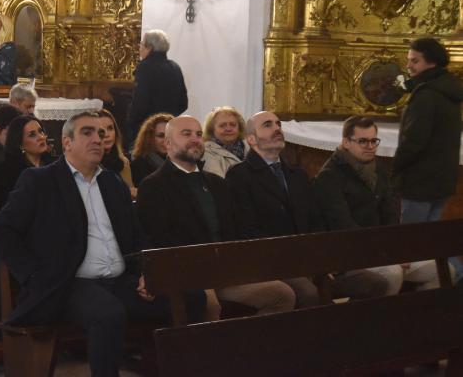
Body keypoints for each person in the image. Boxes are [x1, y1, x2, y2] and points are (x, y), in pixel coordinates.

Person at [0, 111, 202, 377]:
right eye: (87, 133)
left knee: (190, 297)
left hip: (120, 281)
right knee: (108, 314)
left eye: (101, 134)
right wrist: (33, 275)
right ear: (67, 143)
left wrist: (146, 274)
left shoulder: (112, 183)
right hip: (69, 283)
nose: (97, 139)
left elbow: (137, 238)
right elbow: (2, 232)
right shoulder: (40, 181)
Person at [137, 115, 295, 319]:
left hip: (226, 271)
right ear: (167, 143)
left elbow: (234, 231)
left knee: (282, 295)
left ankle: (251, 348)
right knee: (208, 304)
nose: (195, 139)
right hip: (188, 273)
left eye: (198, 134)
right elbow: (158, 240)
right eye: (186, 134)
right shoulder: (153, 186)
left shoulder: (216, 183)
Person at [226, 111, 388, 307]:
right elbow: (248, 231)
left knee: (375, 284)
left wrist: (320, 259)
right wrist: (299, 262)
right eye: (268, 125)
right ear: (251, 139)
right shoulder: (240, 175)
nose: (277, 128)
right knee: (310, 294)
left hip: (311, 260)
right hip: (273, 264)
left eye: (278, 124)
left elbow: (316, 221)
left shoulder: (297, 175)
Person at [315, 115, 440, 295]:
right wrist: (385, 254)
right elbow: (344, 226)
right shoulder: (329, 176)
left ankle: (418, 320)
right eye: (363, 141)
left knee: (439, 270)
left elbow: (391, 213)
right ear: (346, 142)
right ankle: (381, 321)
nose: (370, 146)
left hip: (381, 248)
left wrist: (395, 249)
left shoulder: (378, 168)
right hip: (349, 253)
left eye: (374, 141)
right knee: (392, 273)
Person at [393, 37, 463, 283]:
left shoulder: (427, 95)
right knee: (432, 237)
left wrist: (396, 168)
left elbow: (414, 142)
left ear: (430, 63)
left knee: (412, 240)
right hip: (441, 179)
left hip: (420, 181)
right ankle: (451, 279)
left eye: (415, 61)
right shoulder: (448, 90)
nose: (409, 65)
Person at [127, 29, 187, 144]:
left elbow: (140, 103)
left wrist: (133, 125)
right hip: (169, 128)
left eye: (142, 44)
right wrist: (168, 119)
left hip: (147, 130)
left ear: (149, 47)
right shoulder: (175, 67)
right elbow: (183, 103)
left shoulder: (145, 67)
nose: (140, 48)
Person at [0, 115, 54, 211]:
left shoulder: (54, 164)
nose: (41, 137)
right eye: (32, 135)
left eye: (41, 131)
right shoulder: (9, 171)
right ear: (20, 144)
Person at [202, 106, 249, 178]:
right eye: (222, 125)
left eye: (233, 125)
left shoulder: (250, 146)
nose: (228, 129)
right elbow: (218, 182)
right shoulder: (206, 151)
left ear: (239, 127)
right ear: (212, 130)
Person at [97, 109, 136, 198]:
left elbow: (131, 194)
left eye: (110, 128)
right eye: (101, 131)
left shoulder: (123, 161)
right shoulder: (91, 164)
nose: (107, 134)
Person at [130, 113, 173, 187]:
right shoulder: (138, 166)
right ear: (150, 137)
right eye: (161, 136)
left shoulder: (185, 163)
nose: (166, 140)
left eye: (170, 135)